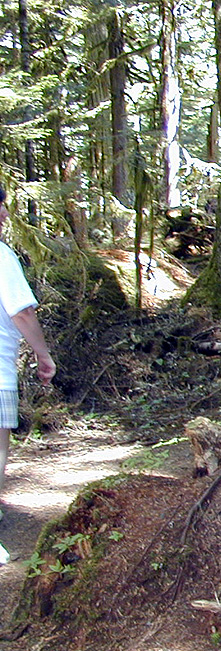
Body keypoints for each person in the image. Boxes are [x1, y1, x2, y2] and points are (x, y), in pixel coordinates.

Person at [0, 185, 56, 564]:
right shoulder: (2, 257)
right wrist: (44, 354)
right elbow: (21, 312)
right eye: (0, 209)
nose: (5, 216)